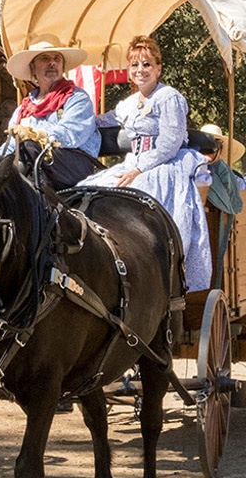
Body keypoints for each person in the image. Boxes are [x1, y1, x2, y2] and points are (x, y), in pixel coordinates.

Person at [78, 35, 213, 291]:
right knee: (91, 188)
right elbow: (101, 121)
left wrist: (139, 168)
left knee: (141, 192)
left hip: (166, 163)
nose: (141, 71)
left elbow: (170, 142)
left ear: (158, 68)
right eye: (135, 65)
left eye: (147, 64)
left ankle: (155, 257)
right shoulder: (130, 103)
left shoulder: (168, 98)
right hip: (134, 161)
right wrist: (73, 118)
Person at [0, 34, 103, 189]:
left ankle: (40, 206)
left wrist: (35, 135)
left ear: (62, 66)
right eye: (45, 58)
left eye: (57, 59)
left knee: (29, 148)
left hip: (75, 165)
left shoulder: (76, 98)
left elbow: (72, 133)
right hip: (36, 163)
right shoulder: (24, 108)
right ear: (33, 68)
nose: (52, 62)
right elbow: (11, 146)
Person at [198, 124, 246, 291]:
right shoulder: (192, 170)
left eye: (211, 148)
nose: (206, 153)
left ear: (220, 150)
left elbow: (236, 203)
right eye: (202, 147)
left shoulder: (234, 179)